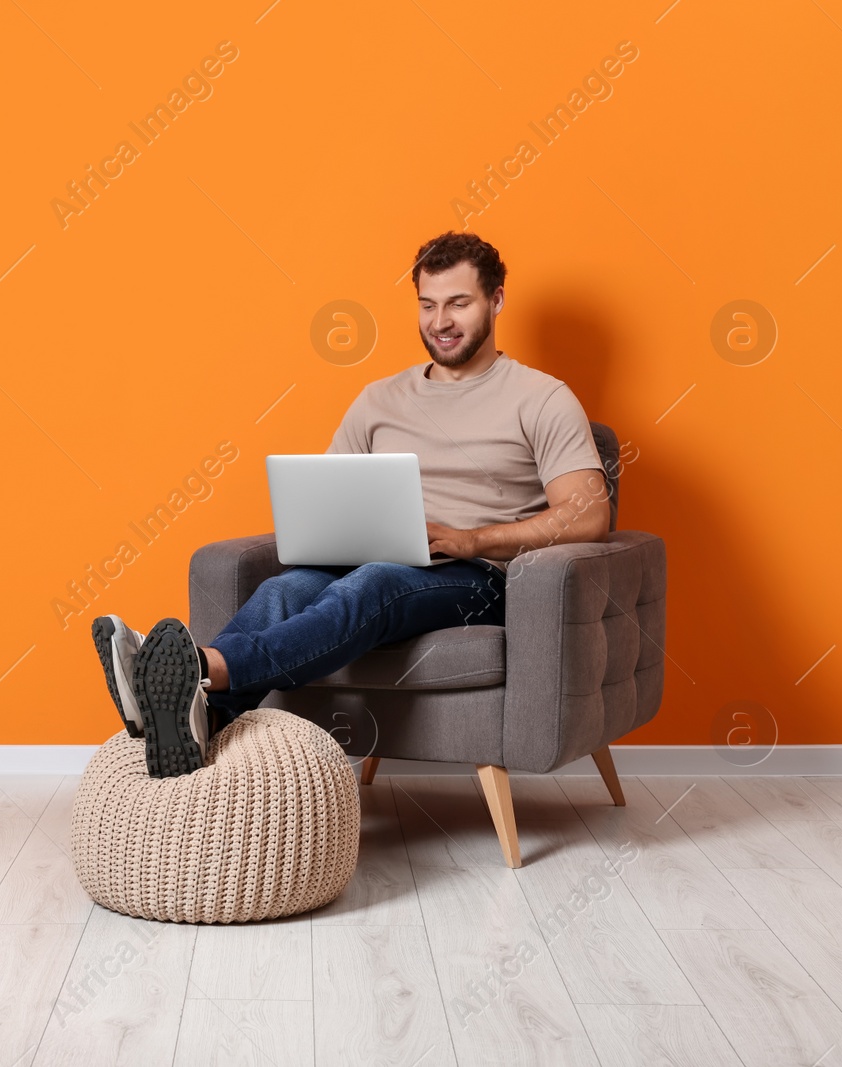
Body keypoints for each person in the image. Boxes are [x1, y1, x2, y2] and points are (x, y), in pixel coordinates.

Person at [93, 232, 612, 778]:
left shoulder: (542, 398)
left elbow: (589, 514)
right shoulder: (379, 399)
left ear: (497, 301)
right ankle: (196, 720)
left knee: (374, 584)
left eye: (459, 303)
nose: (441, 321)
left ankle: (194, 670)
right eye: (428, 304)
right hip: (372, 561)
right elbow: (328, 492)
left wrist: (473, 539)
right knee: (284, 588)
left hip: (476, 577)